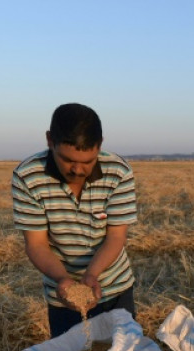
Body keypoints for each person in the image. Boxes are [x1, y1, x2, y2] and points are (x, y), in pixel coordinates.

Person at [12, 103, 138, 337]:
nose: (78, 170)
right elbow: (36, 244)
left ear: (100, 145)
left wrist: (92, 275)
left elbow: (116, 236)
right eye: (67, 160)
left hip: (114, 287)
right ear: (50, 141)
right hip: (62, 293)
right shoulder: (28, 176)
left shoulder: (118, 172)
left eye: (88, 161)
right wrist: (63, 280)